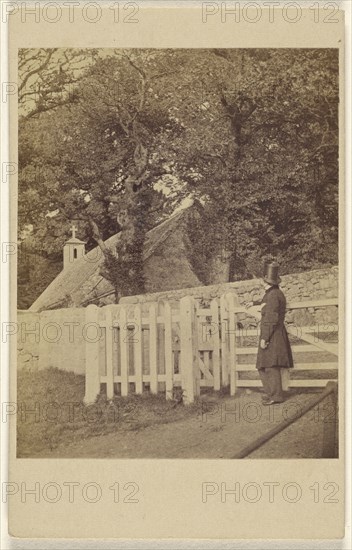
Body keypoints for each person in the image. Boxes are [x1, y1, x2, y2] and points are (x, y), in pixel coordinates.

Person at [255, 261, 294, 405]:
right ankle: (272, 393)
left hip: (272, 334)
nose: (262, 282)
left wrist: (265, 338)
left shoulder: (272, 296)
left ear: (265, 280)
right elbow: (266, 307)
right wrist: (255, 305)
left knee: (270, 366)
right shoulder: (274, 293)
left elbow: (271, 317)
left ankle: (276, 396)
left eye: (263, 280)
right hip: (275, 333)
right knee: (264, 365)